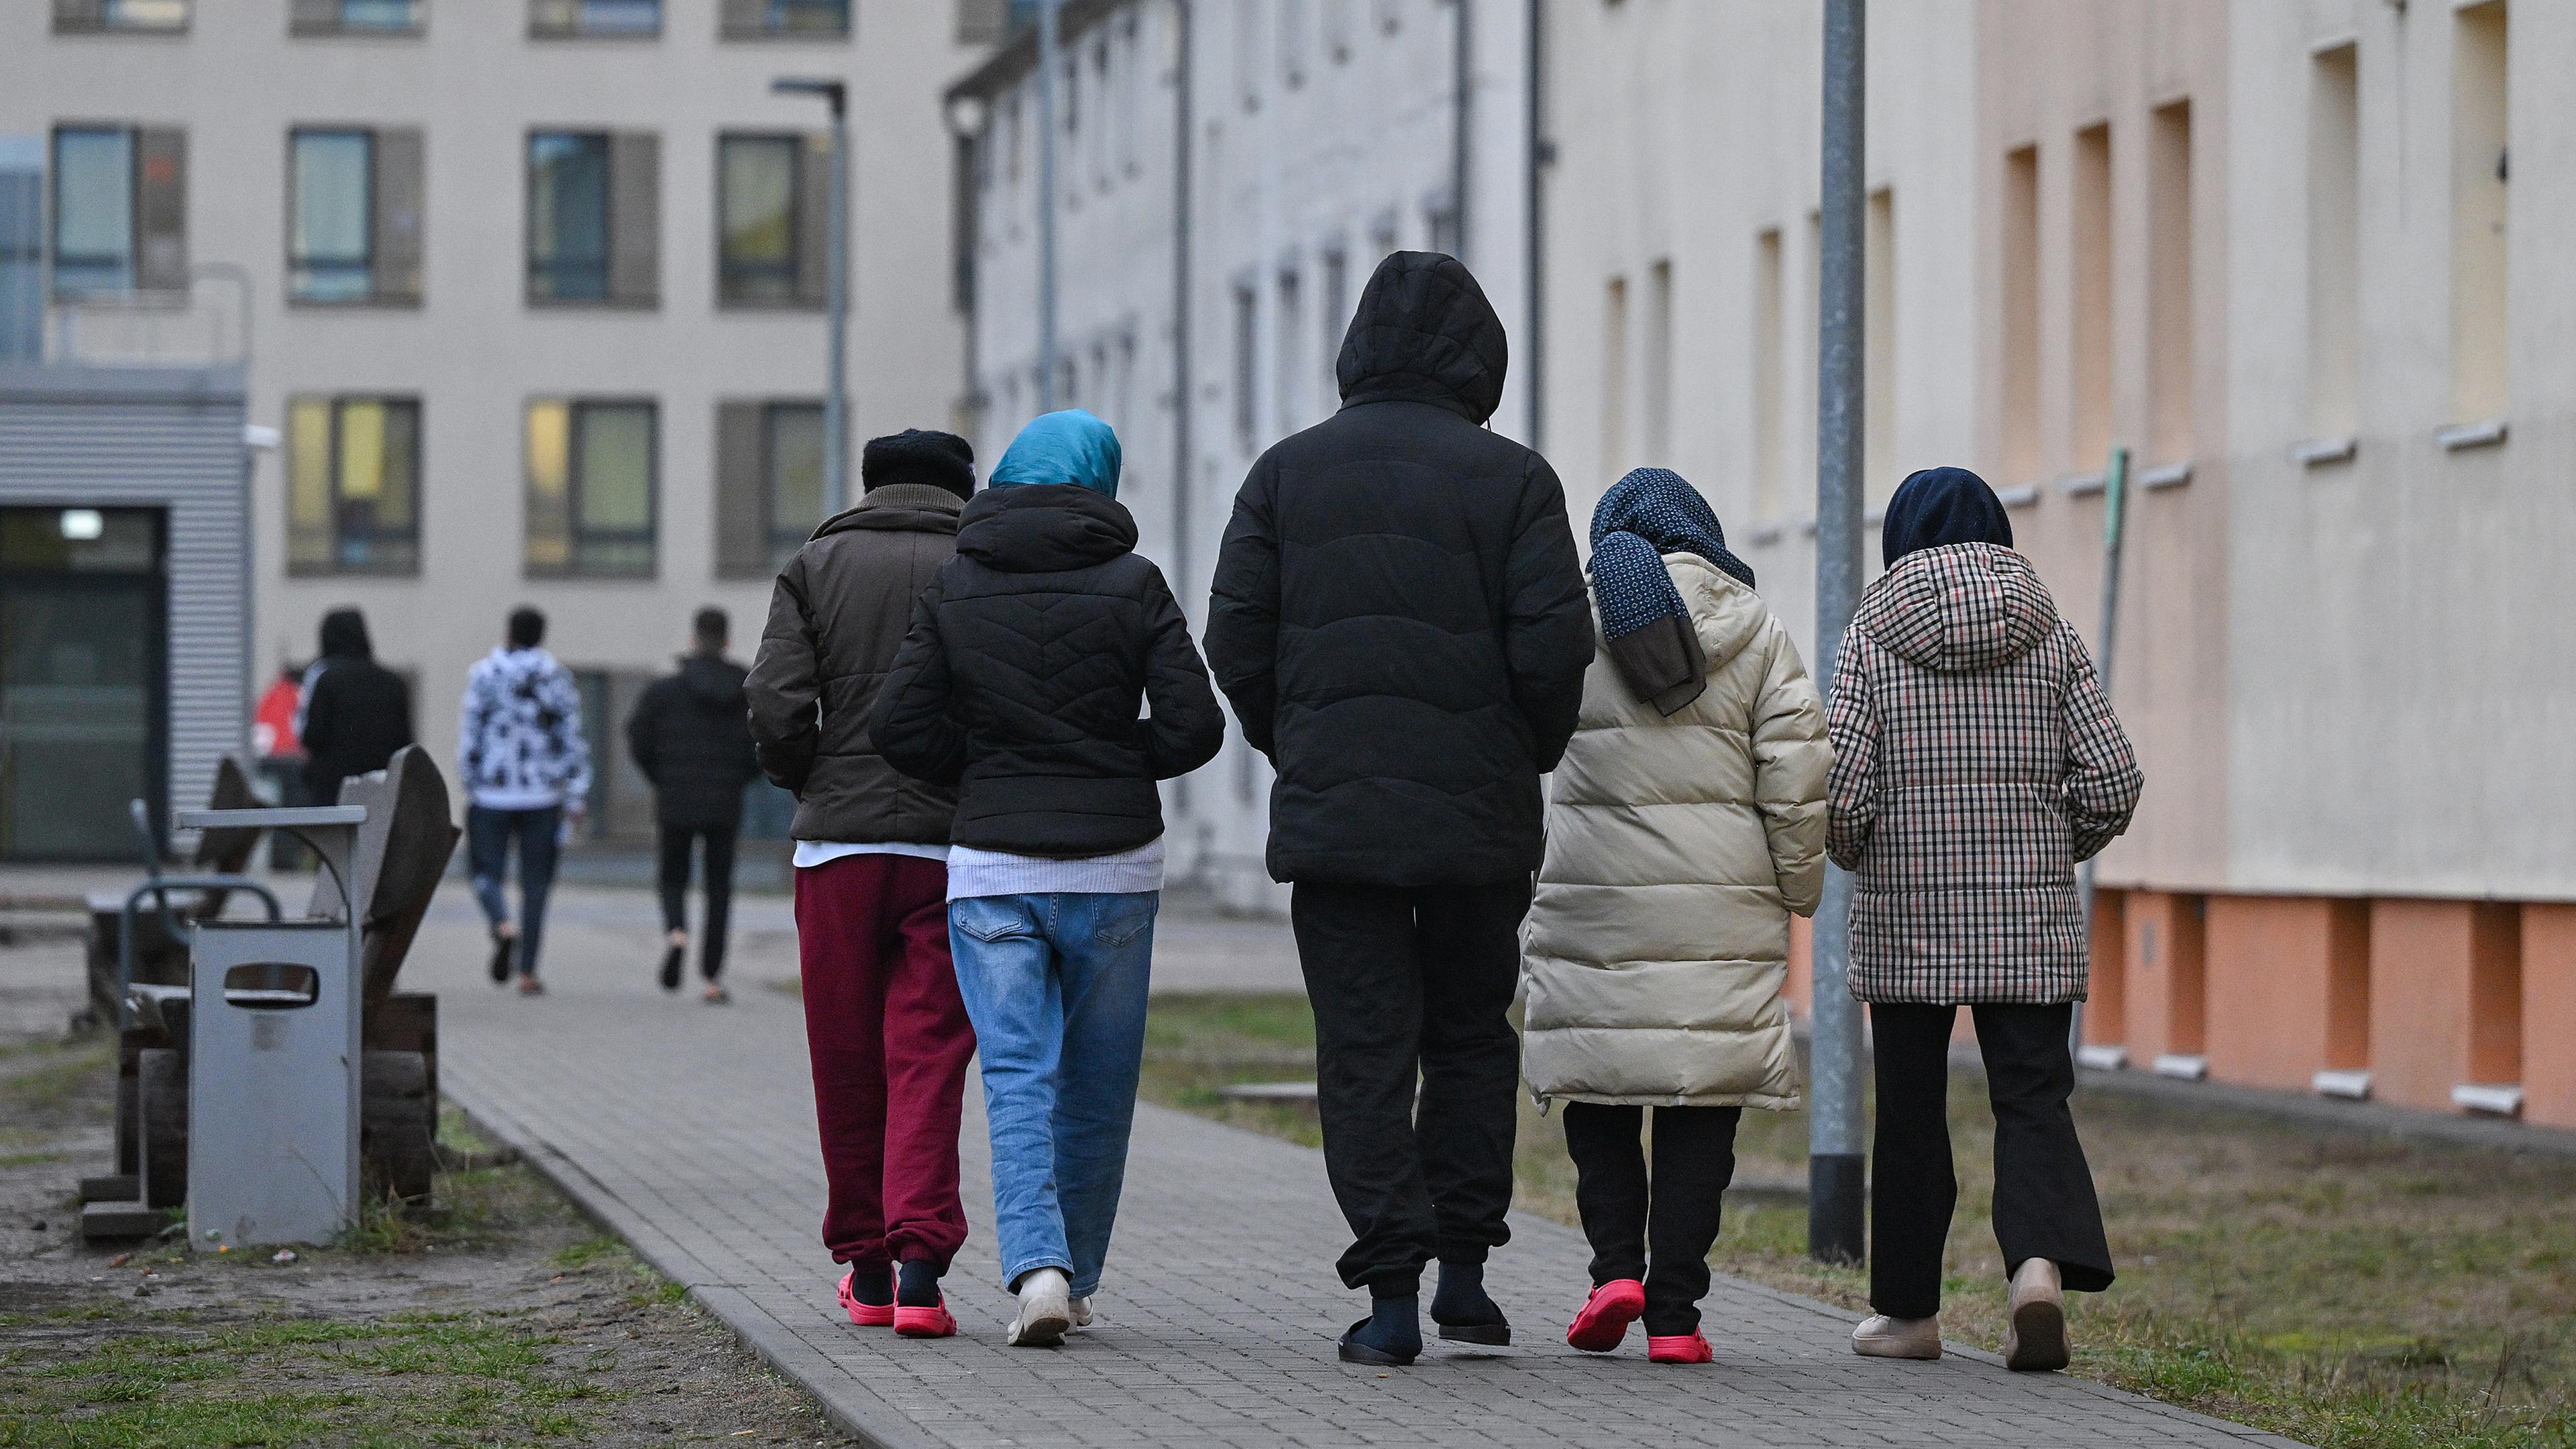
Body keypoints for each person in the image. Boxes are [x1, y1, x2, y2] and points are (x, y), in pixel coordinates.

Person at [1204, 252, 1595, 1366]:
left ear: (1357, 346)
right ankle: (1466, 1276)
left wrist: (1305, 744)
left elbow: (1236, 640)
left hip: (1338, 825)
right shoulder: (1516, 481)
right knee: (1472, 1036)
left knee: (1365, 1049)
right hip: (1478, 821)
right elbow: (1555, 649)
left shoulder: (1285, 475)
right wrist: (1521, 752)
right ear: (1482, 358)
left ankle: (1388, 1297)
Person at [873, 409, 1224, 1348]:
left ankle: (1039, 1269)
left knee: (1017, 1078)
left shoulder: (957, 585)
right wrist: (1114, 757)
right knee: (1099, 1086)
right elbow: (1195, 727)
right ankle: (1081, 1274)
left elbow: (897, 728)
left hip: (992, 865)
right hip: (1114, 867)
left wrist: (987, 768)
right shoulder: (1135, 583)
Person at [1827, 466, 2143, 1372]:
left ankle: (1909, 1315)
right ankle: (2035, 1271)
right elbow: (2115, 778)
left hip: (1909, 915)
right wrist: (2055, 847)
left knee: (1913, 1110)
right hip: (2029, 914)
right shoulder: (2051, 633)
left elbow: (1840, 795)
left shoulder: (1870, 636)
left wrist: (1863, 855)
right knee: (2033, 1098)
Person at [1521, 468, 1829, 1366]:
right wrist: (1798, 890)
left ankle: (1614, 1270)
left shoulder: (1573, 626)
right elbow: (1799, 772)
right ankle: (1675, 1315)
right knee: (1704, 1106)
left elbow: (1522, 740)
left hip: (1593, 904)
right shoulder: (1758, 632)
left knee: (1601, 1086)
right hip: (1721, 912)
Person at [747, 427, 981, 1339]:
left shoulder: (814, 563)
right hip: (949, 848)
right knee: (927, 1059)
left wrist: (807, 776)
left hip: (836, 849)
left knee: (846, 1061)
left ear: (872, 484)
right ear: (963, 487)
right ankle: (922, 1272)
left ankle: (869, 1271)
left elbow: (773, 699)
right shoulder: (981, 561)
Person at [627, 607, 763, 1004]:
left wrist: (662, 778)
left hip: (676, 799)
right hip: (725, 801)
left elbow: (638, 739)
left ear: (692, 639)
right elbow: (765, 743)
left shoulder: (665, 691)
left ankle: (677, 932)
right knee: (719, 887)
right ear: (727, 641)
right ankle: (711, 978)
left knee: (673, 876)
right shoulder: (745, 690)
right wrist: (740, 778)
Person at [459, 606, 591, 996]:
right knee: (536, 885)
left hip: (491, 792)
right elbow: (572, 737)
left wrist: (470, 782)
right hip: (543, 794)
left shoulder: (483, 675)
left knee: (484, 871)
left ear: (510, 632)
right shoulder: (556, 676)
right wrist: (578, 792)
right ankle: (528, 973)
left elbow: (470, 734)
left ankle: (502, 923)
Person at [297, 608, 414, 808]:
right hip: (381, 793)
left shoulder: (327, 681)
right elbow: (405, 742)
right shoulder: (393, 682)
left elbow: (312, 736)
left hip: (333, 794)